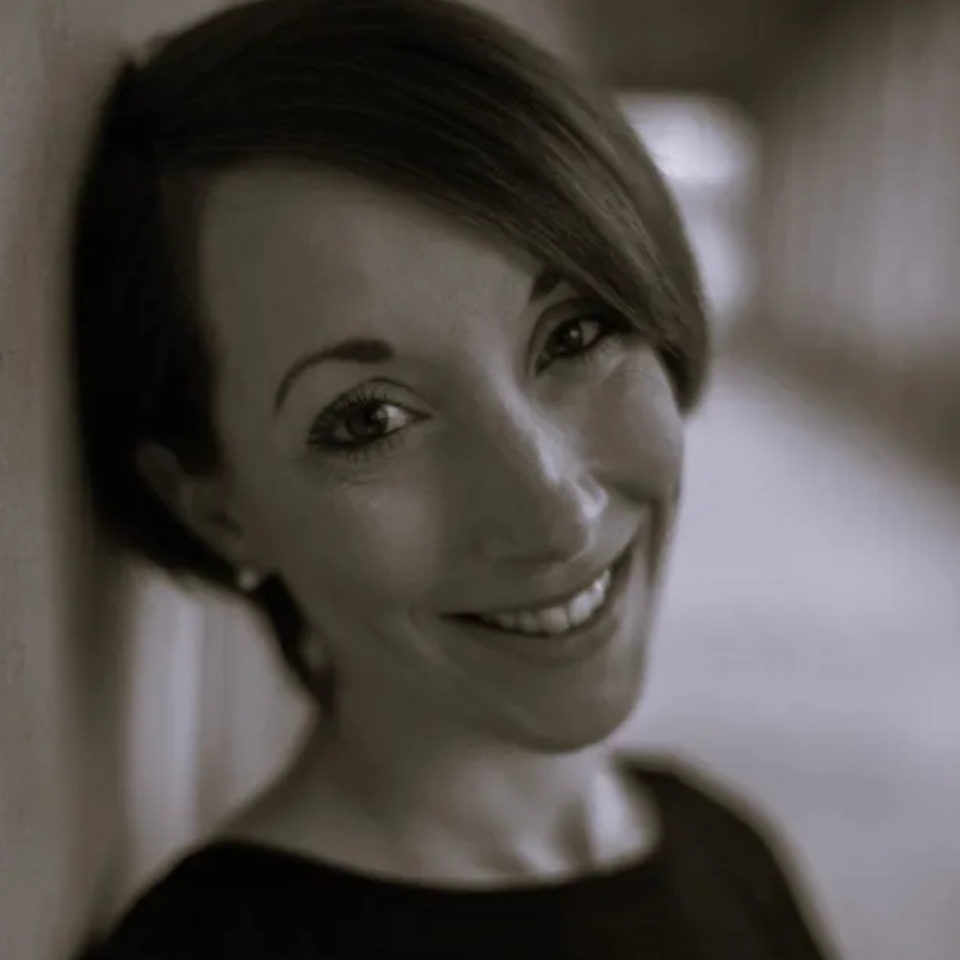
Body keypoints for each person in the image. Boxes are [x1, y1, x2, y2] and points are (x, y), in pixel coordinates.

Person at [71, 0, 838, 957]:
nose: (556, 509)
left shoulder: (727, 853)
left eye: (576, 333)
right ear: (219, 509)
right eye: (370, 418)